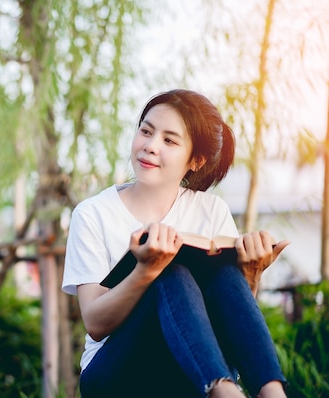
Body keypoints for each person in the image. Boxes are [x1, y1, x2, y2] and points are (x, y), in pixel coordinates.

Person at [62, 89, 289, 397]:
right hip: (117, 374)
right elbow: (95, 323)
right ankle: (224, 393)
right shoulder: (93, 214)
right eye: (146, 131)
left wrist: (251, 276)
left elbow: (227, 315)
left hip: (192, 366)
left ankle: (272, 392)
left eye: (169, 140)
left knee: (225, 274)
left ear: (196, 160)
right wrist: (145, 271)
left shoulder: (211, 211)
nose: (150, 146)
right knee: (171, 271)